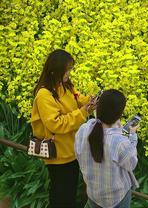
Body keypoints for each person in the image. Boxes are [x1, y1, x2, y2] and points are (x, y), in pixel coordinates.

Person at [31, 49, 97, 208]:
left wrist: (92, 101)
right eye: (67, 70)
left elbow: (78, 99)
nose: (69, 73)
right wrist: (83, 112)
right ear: (55, 70)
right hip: (58, 155)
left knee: (69, 194)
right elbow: (56, 124)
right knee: (61, 197)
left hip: (72, 150)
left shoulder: (65, 85)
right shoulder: (44, 94)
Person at [75, 89, 139, 208]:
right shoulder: (120, 141)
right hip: (117, 199)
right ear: (120, 114)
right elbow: (131, 164)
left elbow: (78, 154)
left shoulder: (84, 129)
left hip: (94, 194)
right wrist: (131, 135)